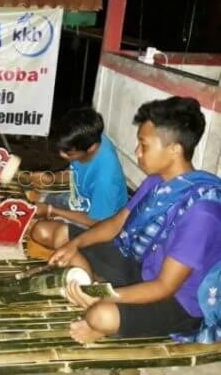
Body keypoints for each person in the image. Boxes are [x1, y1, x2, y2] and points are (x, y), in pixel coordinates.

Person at [48, 96, 221, 343]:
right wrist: (75, 244)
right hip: (142, 265)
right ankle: (96, 289)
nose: (137, 153)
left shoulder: (202, 213)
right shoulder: (157, 181)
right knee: (61, 237)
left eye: (144, 145)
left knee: (101, 315)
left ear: (174, 150)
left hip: (180, 301)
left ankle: (96, 296)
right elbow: (117, 223)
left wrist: (103, 295)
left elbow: (164, 287)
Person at [28, 107, 128, 249]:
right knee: (33, 202)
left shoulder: (105, 180)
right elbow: (75, 171)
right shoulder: (91, 138)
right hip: (80, 202)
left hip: (101, 226)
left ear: (91, 148)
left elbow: (97, 223)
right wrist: (51, 178)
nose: (62, 155)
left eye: (69, 154)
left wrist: (52, 211)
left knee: (40, 231)